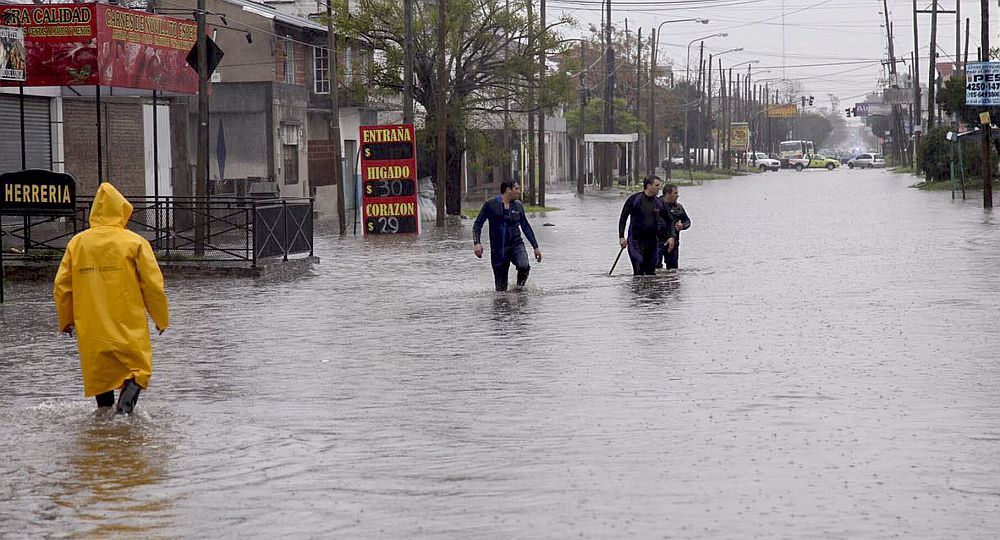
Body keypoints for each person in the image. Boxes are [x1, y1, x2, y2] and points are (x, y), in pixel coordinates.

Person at [54, 183, 169, 414]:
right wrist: (161, 318)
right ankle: (124, 411)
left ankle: (105, 424)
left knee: (101, 376)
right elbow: (152, 285)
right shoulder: (135, 242)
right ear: (122, 210)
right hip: (128, 323)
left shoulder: (77, 244)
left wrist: (65, 320)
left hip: (92, 325)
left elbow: (62, 285)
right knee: (138, 370)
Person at [473, 181, 542, 291]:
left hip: (516, 244)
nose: (519, 192)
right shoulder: (491, 204)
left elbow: (525, 226)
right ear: (508, 190)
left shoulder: (518, 206)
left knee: (524, 266)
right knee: (501, 291)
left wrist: (536, 247)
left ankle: (519, 289)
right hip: (498, 249)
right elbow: (477, 224)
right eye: (516, 189)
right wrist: (477, 243)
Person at [618, 176, 674, 276]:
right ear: (648, 186)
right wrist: (621, 237)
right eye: (657, 185)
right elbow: (623, 218)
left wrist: (671, 236)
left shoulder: (658, 203)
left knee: (650, 274)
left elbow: (669, 220)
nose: (659, 188)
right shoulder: (635, 199)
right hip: (636, 242)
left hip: (652, 242)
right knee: (639, 273)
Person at [660, 183, 691, 269]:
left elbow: (687, 221)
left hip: (674, 243)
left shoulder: (678, 207)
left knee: (673, 269)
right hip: (658, 242)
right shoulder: (657, 205)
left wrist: (682, 225)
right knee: (655, 268)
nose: (678, 195)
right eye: (675, 193)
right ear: (668, 194)